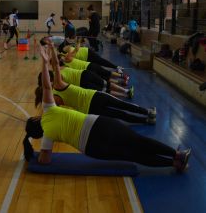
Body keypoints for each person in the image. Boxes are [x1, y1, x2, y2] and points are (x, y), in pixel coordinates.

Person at [23, 45, 191, 173]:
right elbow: (46, 86)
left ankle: (174, 163)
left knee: (133, 155)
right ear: (36, 118)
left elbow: (45, 161)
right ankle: (177, 155)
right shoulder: (50, 110)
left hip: (91, 147)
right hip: (97, 125)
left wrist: (36, 155)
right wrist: (45, 63)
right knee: (138, 141)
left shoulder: (47, 137)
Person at [35, 42, 156, 124]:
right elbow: (55, 65)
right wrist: (50, 52)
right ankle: (148, 112)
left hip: (90, 109)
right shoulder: (58, 85)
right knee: (121, 105)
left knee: (119, 114)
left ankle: (146, 120)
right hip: (93, 96)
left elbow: (57, 112)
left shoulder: (54, 99)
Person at [60, 45, 130, 86]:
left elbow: (77, 47)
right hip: (86, 62)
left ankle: (118, 68)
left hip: (87, 53)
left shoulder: (67, 52)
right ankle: (121, 81)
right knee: (102, 76)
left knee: (101, 62)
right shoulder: (66, 60)